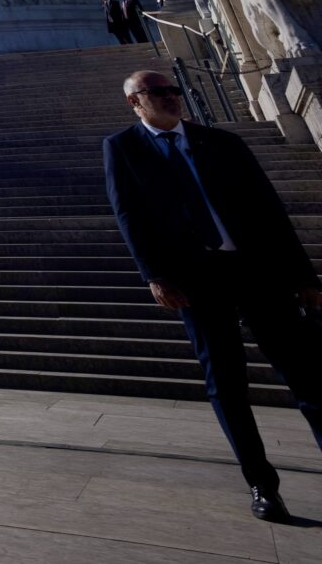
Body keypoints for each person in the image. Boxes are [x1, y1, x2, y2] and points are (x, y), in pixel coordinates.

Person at [107, 67, 322, 522]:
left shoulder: (222, 142)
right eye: (158, 92)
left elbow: (270, 209)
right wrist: (155, 275)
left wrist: (304, 275)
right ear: (134, 102)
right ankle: (262, 484)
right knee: (226, 387)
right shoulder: (122, 149)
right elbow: (130, 217)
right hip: (196, 283)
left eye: (173, 90)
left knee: (308, 376)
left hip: (258, 271)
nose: (171, 98)